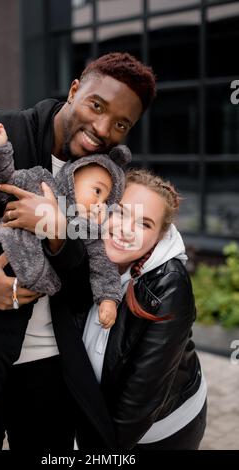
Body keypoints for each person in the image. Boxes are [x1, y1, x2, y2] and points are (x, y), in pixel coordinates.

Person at [0, 52, 156, 452]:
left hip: (49, 364)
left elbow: (85, 279)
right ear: (74, 89)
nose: (103, 128)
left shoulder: (105, 181)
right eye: (96, 106)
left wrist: (57, 232)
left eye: (121, 124)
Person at [43, 168, 207, 450]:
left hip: (163, 430)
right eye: (120, 212)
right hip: (98, 415)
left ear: (159, 236)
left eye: (144, 224)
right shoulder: (79, 252)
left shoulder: (169, 285)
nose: (125, 230)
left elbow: (139, 402)